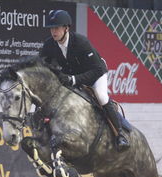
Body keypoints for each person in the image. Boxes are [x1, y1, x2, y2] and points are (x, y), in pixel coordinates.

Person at [40, 10, 129, 151]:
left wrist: (74, 79)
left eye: (56, 28)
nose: (53, 31)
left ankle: (120, 134)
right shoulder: (49, 45)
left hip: (95, 74)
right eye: (51, 28)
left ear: (66, 28)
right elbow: (42, 65)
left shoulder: (81, 42)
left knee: (101, 95)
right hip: (72, 77)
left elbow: (97, 69)